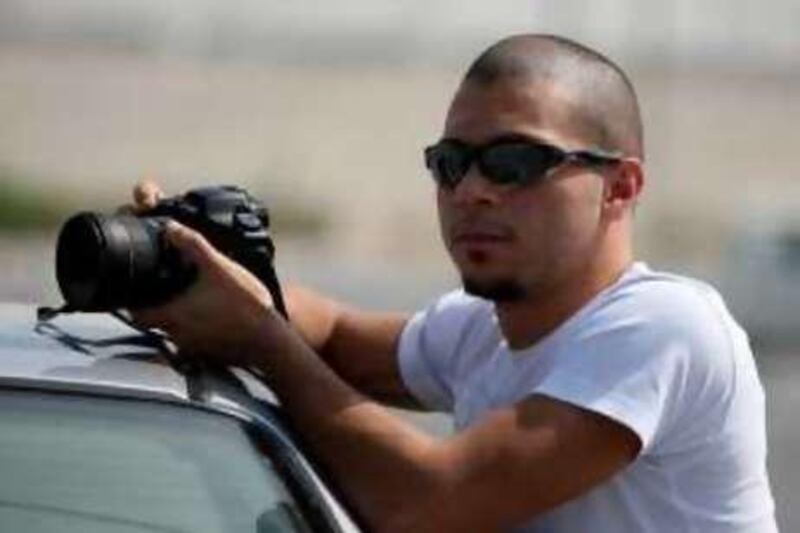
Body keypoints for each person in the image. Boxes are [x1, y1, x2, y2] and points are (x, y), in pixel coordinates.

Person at [132, 34, 777, 532]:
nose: (471, 192)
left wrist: (263, 338)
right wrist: (193, 267)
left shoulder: (665, 325)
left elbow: (427, 505)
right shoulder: (480, 329)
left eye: (513, 163)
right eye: (451, 164)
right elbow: (326, 332)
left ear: (621, 187)